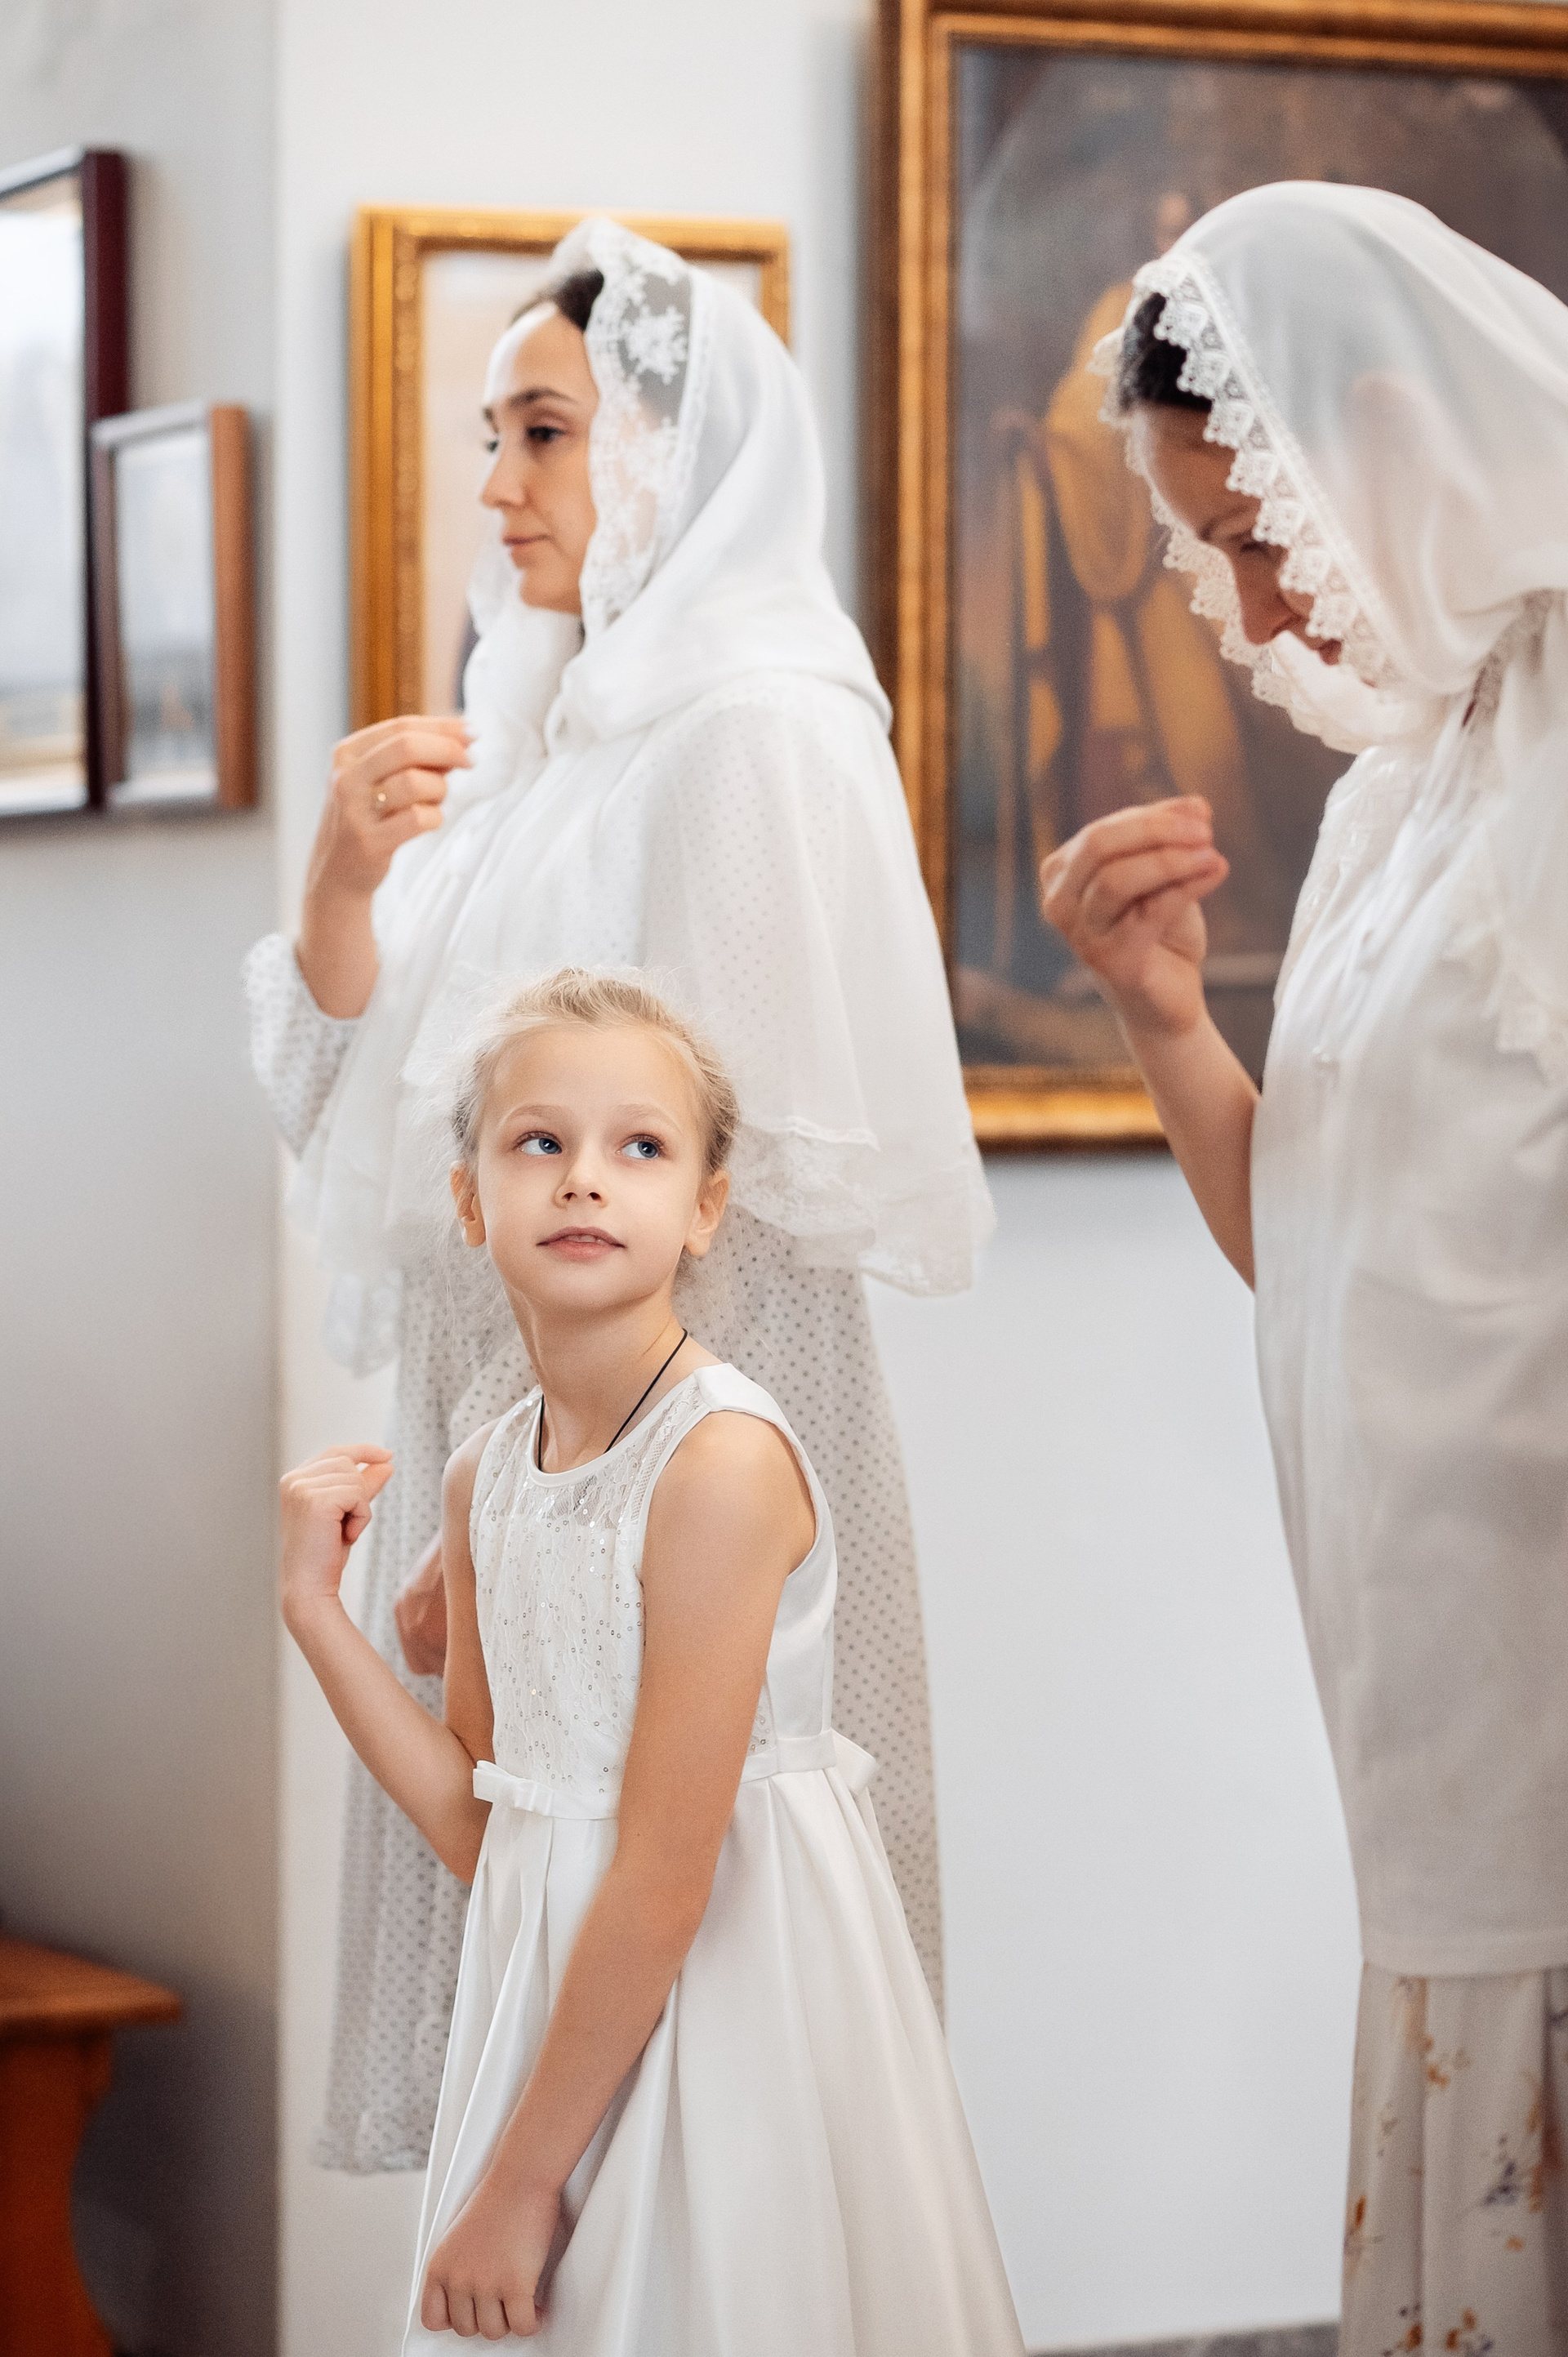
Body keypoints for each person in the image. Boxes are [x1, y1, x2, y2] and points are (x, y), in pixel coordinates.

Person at [246, 218, 990, 2170]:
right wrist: (339, 883)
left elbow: (724, 1192)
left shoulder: (745, 730)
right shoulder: (540, 737)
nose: (498, 483)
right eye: (492, 435)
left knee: (681, 1994)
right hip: (521, 1424)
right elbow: (362, 1113)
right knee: (517, 1918)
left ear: (668, 450)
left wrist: (579, 1499)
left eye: (547, 433)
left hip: (658, 1450)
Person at [1042, 180, 1568, 2351]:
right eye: (1213, 552)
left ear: (1386, 434)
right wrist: (1166, 1018)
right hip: (1429, 1703)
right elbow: (1320, 1249)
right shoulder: (1400, 784)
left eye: (1257, 532)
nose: (1251, 611)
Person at [278, 971, 1023, 2355]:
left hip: (722, 1999)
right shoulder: (485, 1474)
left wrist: (520, 2181)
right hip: (562, 2000)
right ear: (469, 1199)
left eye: (640, 1145)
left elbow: (671, 1868)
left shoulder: (720, 1463)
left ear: (705, 1206)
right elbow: (486, 1823)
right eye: (539, 1140)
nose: (584, 1178)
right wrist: (315, 1608)